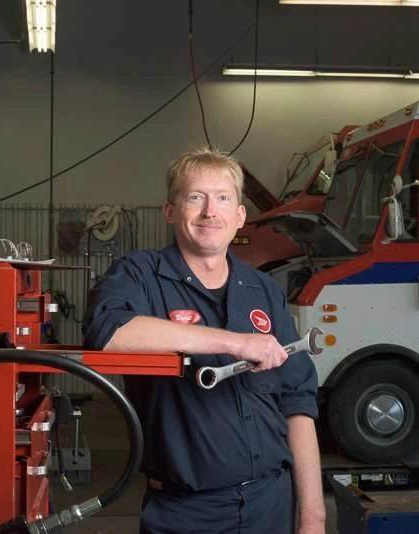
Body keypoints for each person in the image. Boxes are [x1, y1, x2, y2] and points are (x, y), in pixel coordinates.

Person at [83, 146, 326, 534]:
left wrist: (313, 517)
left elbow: (298, 403)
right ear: (170, 211)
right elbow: (108, 334)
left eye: (223, 198)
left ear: (240, 216)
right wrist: (235, 343)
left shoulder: (264, 291)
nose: (210, 211)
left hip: (271, 504)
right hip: (185, 513)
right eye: (195, 197)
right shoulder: (140, 275)